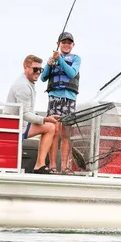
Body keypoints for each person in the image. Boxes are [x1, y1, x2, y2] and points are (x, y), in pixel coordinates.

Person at [6, 55, 59, 174]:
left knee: (50, 126)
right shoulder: (23, 86)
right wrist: (45, 119)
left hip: (19, 123)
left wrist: (42, 118)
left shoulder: (27, 82)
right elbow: (25, 114)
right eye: (35, 69)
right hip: (15, 125)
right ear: (26, 67)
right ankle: (39, 166)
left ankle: (39, 165)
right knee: (50, 127)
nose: (38, 72)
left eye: (41, 69)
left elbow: (26, 111)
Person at [41, 32, 81, 174]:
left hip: (69, 99)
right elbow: (43, 77)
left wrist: (60, 60)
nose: (66, 45)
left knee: (66, 134)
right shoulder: (53, 59)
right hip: (54, 98)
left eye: (69, 43)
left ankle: (65, 166)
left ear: (73, 45)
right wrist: (49, 63)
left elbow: (71, 73)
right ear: (58, 44)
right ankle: (52, 165)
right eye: (63, 42)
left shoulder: (76, 59)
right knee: (55, 132)